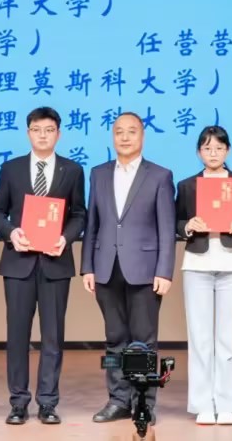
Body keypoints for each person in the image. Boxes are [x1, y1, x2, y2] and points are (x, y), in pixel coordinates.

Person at [0, 107, 87, 426]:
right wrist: (11, 233)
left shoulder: (73, 170)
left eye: (49, 130)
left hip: (55, 263)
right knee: (17, 336)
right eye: (36, 129)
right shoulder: (11, 169)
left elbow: (79, 214)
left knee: (53, 337)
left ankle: (48, 402)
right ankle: (18, 402)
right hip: (18, 263)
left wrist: (66, 238)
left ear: (59, 134)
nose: (42, 135)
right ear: (28, 133)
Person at [81, 111, 176, 425]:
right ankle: (118, 400)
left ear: (142, 136)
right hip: (106, 268)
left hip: (145, 270)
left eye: (131, 131)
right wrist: (87, 267)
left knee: (143, 342)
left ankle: (143, 403)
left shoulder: (160, 175)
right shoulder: (98, 174)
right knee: (114, 340)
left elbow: (167, 228)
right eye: (119, 131)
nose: (124, 137)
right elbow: (92, 224)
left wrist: (164, 270)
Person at [175, 125, 232, 426]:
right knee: (199, 337)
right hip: (196, 263)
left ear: (228, 151)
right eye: (207, 148)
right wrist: (188, 226)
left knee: (228, 337)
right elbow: (176, 221)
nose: (213, 153)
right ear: (199, 152)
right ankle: (202, 403)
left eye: (219, 148)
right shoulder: (187, 185)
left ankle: (227, 403)